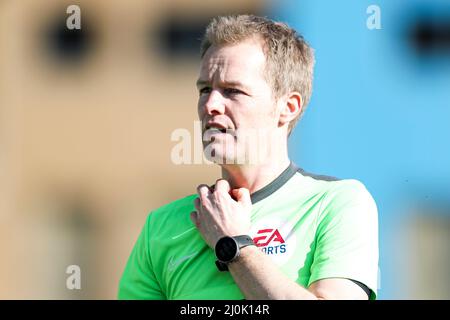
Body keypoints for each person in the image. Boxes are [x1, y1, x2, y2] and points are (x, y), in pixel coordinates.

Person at [118, 14, 378, 300]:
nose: (211, 105)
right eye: (205, 90)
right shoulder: (162, 226)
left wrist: (235, 246)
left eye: (232, 91)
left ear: (287, 107)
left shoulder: (336, 204)